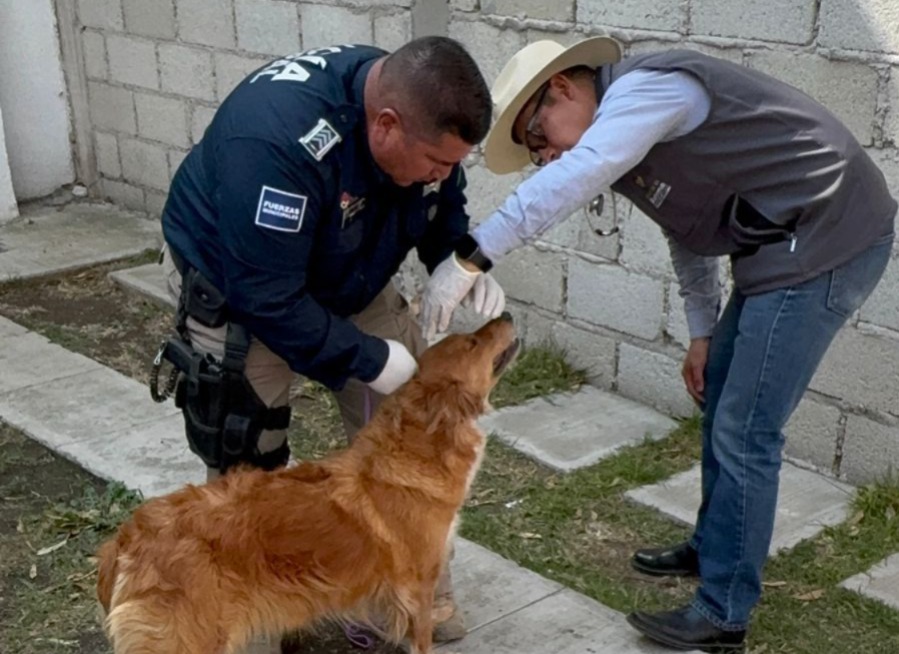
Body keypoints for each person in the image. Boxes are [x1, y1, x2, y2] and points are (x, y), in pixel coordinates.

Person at [419, 37, 897, 651]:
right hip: (778, 246)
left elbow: (578, 170)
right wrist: (702, 333)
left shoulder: (650, 90)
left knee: (746, 429)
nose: (546, 156)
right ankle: (713, 547)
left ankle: (724, 614)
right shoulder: (631, 141)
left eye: (538, 137)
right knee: (721, 393)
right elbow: (690, 232)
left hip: (829, 238)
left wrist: (475, 255)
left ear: (563, 88)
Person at [157, 36, 504, 653]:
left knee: (413, 436)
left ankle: (402, 597)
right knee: (245, 456)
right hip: (241, 289)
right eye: (436, 159)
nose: (444, 174)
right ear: (387, 126)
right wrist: (369, 359)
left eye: (455, 163)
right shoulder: (274, 141)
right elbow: (269, 296)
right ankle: (250, 622)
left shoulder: (420, 115)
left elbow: (436, 201)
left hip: (349, 268)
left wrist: (459, 258)